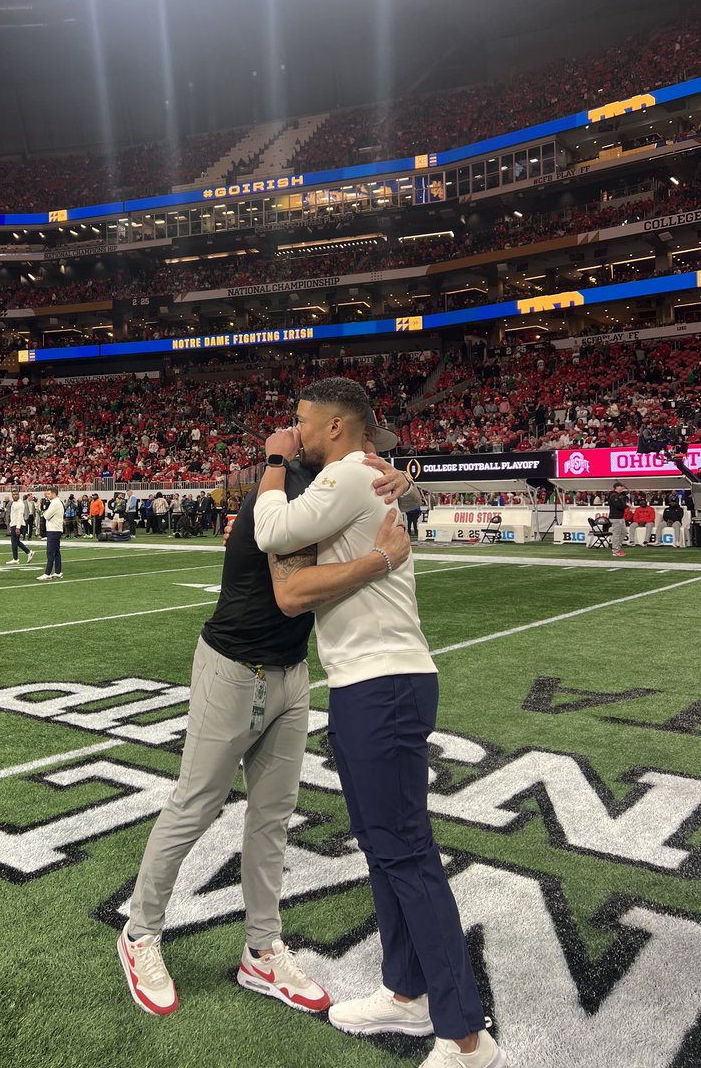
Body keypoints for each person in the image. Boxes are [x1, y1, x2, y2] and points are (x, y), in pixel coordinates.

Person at [117, 404, 416, 1019]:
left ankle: (261, 950)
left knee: (273, 817)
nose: (370, 460)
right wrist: (281, 464)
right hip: (234, 668)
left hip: (290, 671)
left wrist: (408, 483)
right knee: (195, 803)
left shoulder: (327, 484)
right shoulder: (284, 491)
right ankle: (140, 932)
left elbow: (388, 498)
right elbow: (289, 595)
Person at [254, 378, 505, 1068]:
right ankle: (407, 991)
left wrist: (273, 464)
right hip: (373, 681)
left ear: (336, 428)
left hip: (384, 683)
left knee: (407, 853)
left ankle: (466, 1038)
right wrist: (407, 478)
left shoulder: (348, 474)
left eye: (303, 424)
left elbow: (271, 528)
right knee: (382, 845)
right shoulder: (367, 474)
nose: (295, 433)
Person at [37, 486, 64, 581]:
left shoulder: (55, 503)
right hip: (55, 529)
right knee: (56, 552)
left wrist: (44, 513)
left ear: (54, 493)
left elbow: (46, 515)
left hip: (53, 530)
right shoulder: (55, 502)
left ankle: (47, 573)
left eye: (49, 494)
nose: (47, 496)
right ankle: (58, 572)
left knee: (50, 552)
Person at [6, 490, 35, 566]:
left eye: (16, 494)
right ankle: (29, 552)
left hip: (18, 524)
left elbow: (19, 516)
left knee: (14, 542)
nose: (15, 496)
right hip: (14, 524)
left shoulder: (20, 503)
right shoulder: (14, 503)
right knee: (16, 542)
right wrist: (11, 523)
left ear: (18, 495)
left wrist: (17, 527)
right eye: (13, 494)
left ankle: (16, 559)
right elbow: (14, 515)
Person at [607, 481, 629, 557]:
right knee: (616, 534)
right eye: (621, 486)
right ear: (617, 487)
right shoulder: (614, 495)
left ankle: (617, 548)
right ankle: (615, 550)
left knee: (624, 532)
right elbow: (618, 505)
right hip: (616, 517)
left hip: (619, 517)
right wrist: (626, 506)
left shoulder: (617, 495)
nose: (623, 488)